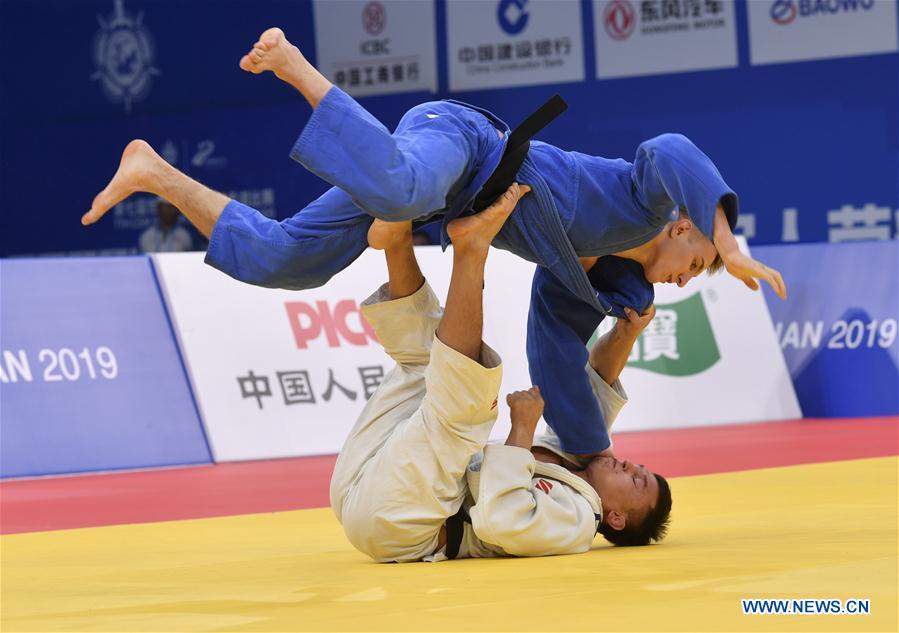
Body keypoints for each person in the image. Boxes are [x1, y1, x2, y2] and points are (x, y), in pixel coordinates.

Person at [81, 27, 785, 458]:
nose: (686, 279)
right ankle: (295, 65)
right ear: (682, 225)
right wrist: (729, 240)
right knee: (400, 190)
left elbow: (554, 362)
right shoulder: (642, 200)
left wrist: (595, 456)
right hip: (463, 144)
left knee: (287, 260)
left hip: (439, 195)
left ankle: (155, 171)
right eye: (695, 264)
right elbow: (669, 149)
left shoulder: (588, 287)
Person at [331, 182, 670, 563]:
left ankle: (472, 249)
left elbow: (499, 522)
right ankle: (396, 237)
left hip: (399, 523)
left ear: (617, 518)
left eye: (636, 479)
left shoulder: (576, 522)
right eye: (638, 466)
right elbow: (596, 386)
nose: (628, 464)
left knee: (466, 407)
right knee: (427, 365)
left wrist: (522, 429)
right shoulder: (581, 458)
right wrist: (627, 332)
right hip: (365, 483)